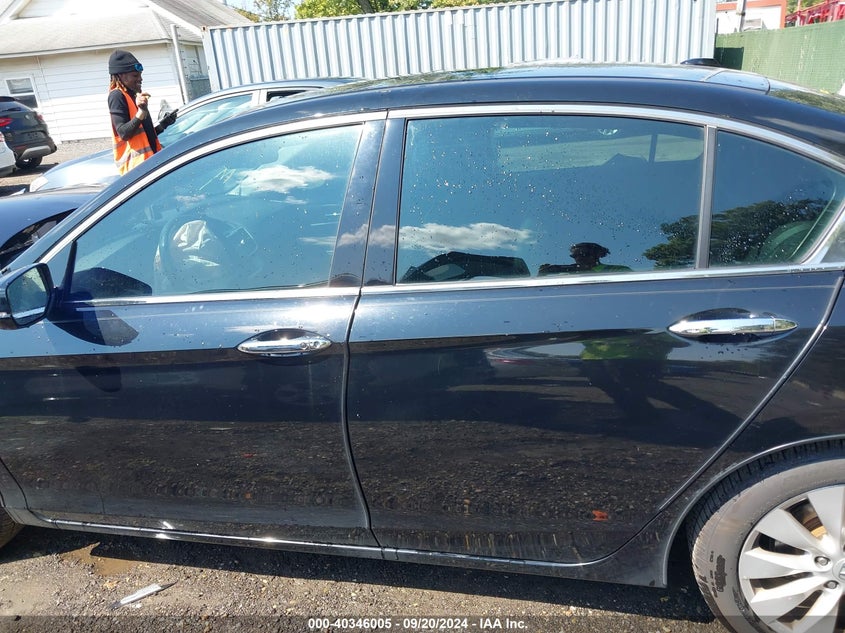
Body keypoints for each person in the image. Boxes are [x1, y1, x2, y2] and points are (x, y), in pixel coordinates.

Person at [107, 50, 177, 175]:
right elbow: (124, 133)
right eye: (135, 76)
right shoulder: (117, 96)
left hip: (149, 163)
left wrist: (163, 125)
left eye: (140, 75)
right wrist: (141, 112)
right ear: (121, 76)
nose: (140, 79)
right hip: (137, 169)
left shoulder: (134, 95)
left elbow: (143, 135)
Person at [538, 242, 631, 275]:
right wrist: (541, 276)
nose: (578, 258)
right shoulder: (568, 275)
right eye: (574, 256)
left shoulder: (619, 270)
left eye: (583, 254)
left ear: (597, 255)